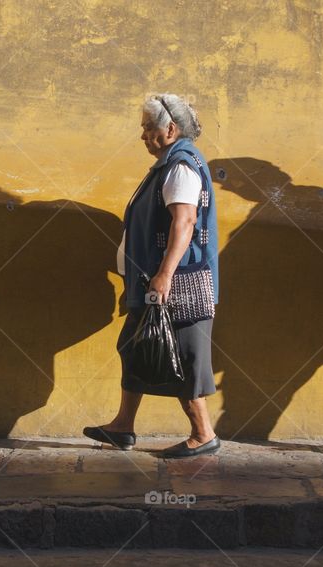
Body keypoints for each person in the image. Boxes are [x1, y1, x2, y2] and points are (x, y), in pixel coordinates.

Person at [83, 93, 220, 458]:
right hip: (150, 282)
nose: (143, 135)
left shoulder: (181, 166)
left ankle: (204, 434)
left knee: (181, 355)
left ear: (170, 129)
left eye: (148, 127)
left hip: (177, 283)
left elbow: (185, 222)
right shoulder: (167, 165)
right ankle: (123, 426)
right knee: (136, 346)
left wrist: (163, 276)